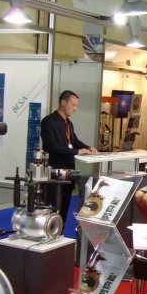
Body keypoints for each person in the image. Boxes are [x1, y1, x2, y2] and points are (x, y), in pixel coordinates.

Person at [40, 90, 98, 224]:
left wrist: (89, 148)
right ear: (63, 102)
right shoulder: (48, 121)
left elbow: (75, 141)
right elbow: (51, 146)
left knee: (65, 207)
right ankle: (51, 232)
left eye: (76, 105)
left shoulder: (69, 124)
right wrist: (77, 152)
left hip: (69, 172)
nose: (75, 108)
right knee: (53, 208)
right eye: (73, 105)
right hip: (55, 173)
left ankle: (60, 232)